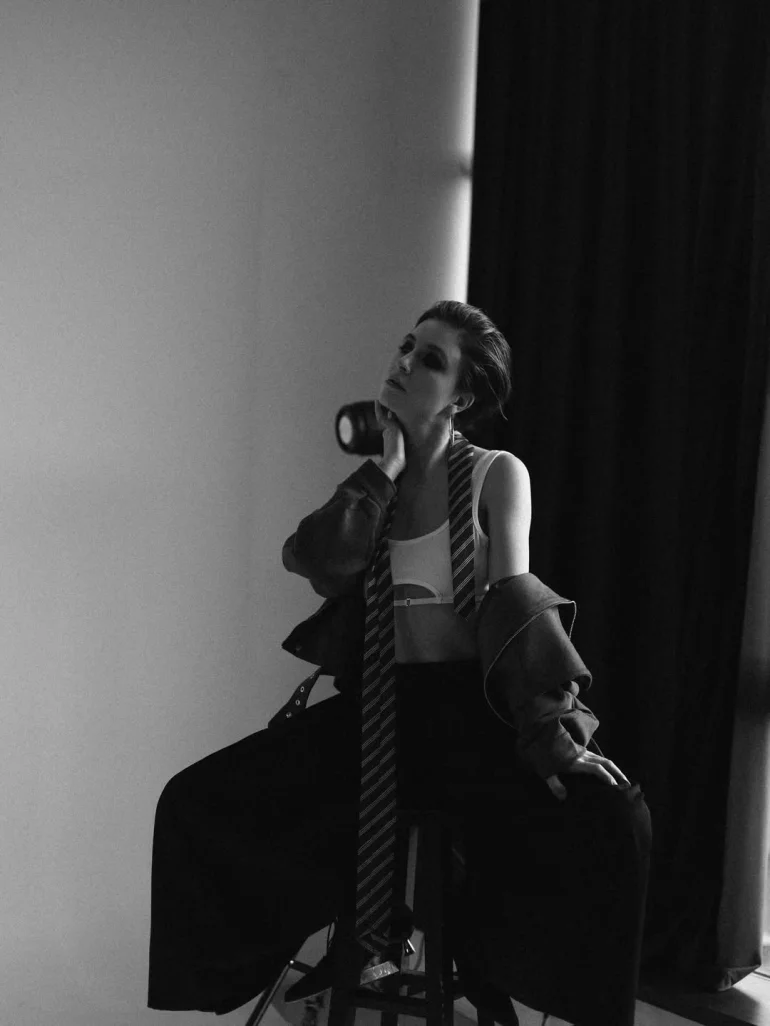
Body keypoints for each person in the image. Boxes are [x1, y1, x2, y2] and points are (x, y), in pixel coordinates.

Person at [148, 300, 652, 1025]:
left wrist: (552, 731)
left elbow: (514, 608)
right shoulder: (372, 491)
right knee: (194, 801)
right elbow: (318, 562)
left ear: (462, 397)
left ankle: (489, 964)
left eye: (431, 360)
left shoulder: (495, 475)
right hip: (378, 710)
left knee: (613, 817)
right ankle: (326, 951)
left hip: (467, 717)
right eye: (408, 346)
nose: (405, 362)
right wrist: (382, 468)